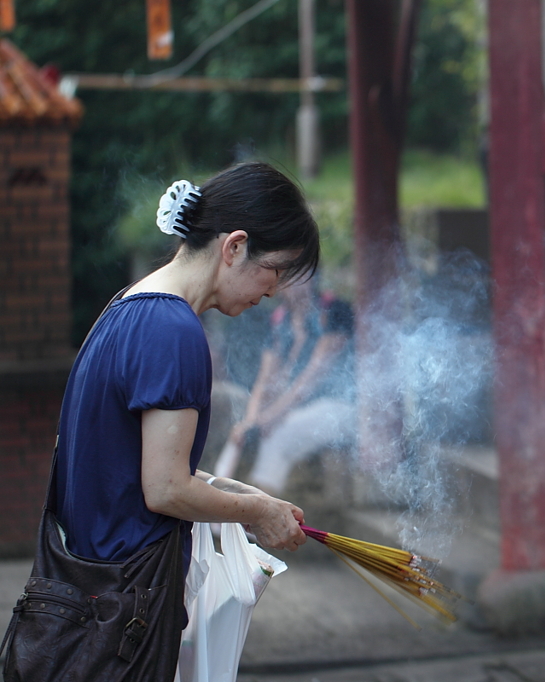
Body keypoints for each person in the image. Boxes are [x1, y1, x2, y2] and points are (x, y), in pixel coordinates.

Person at [52, 162, 318, 676]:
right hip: (127, 603)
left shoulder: (127, 307)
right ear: (235, 246)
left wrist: (251, 497)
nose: (273, 290)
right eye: (276, 269)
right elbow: (165, 490)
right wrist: (256, 516)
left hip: (92, 590)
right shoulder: (174, 329)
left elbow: (136, 469)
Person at [213, 275, 356, 496]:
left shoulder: (334, 310)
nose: (294, 286)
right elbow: (265, 380)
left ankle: (258, 517)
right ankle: (217, 514)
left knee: (277, 436)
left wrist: (269, 418)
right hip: (296, 409)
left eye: (300, 276)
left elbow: (311, 378)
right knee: (239, 434)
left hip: (342, 407)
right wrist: (251, 422)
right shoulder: (281, 319)